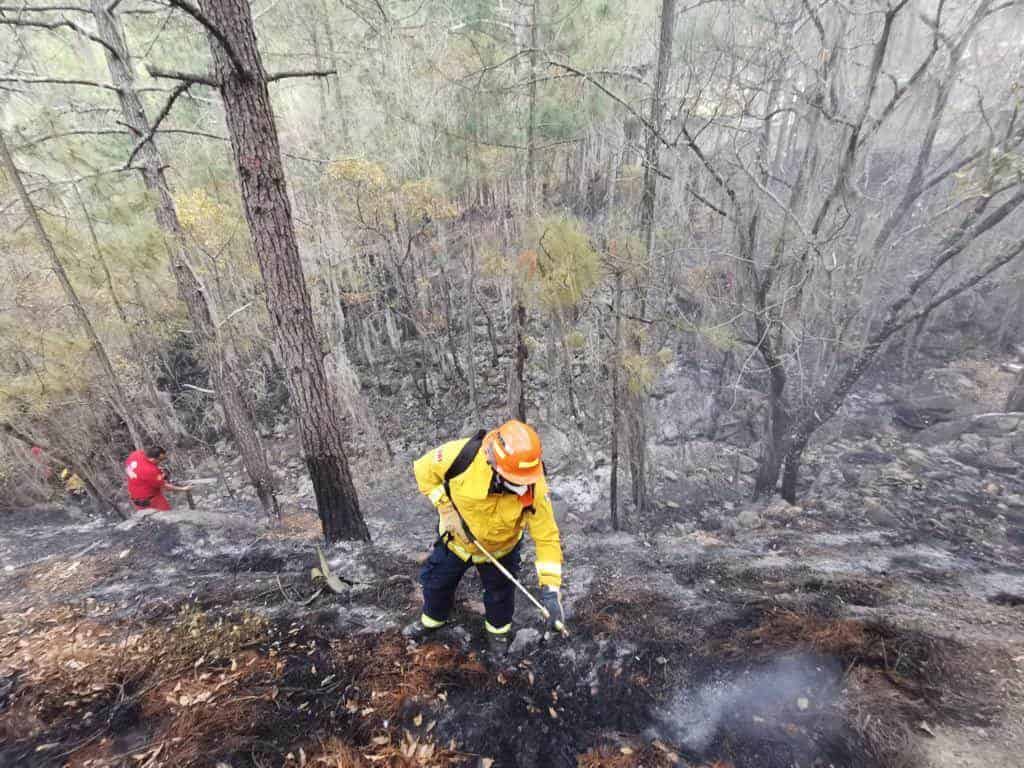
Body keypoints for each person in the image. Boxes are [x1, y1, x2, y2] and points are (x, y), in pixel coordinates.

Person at [403, 420, 566, 654]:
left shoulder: (533, 486)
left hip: (500, 551)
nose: (522, 488)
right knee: (436, 585)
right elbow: (422, 470)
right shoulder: (461, 456)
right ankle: (432, 621)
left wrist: (550, 591)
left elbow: (547, 538)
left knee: (500, 598)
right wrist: (445, 508)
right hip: (456, 542)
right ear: (494, 464)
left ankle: (498, 636)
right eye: (515, 482)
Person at [124, 446, 191, 512]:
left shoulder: (135, 454)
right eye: (160, 460)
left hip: (136, 498)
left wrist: (158, 473)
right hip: (152, 501)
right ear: (153, 459)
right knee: (167, 518)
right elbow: (165, 487)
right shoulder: (151, 471)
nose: (160, 462)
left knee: (149, 521)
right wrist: (183, 489)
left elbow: (139, 470)